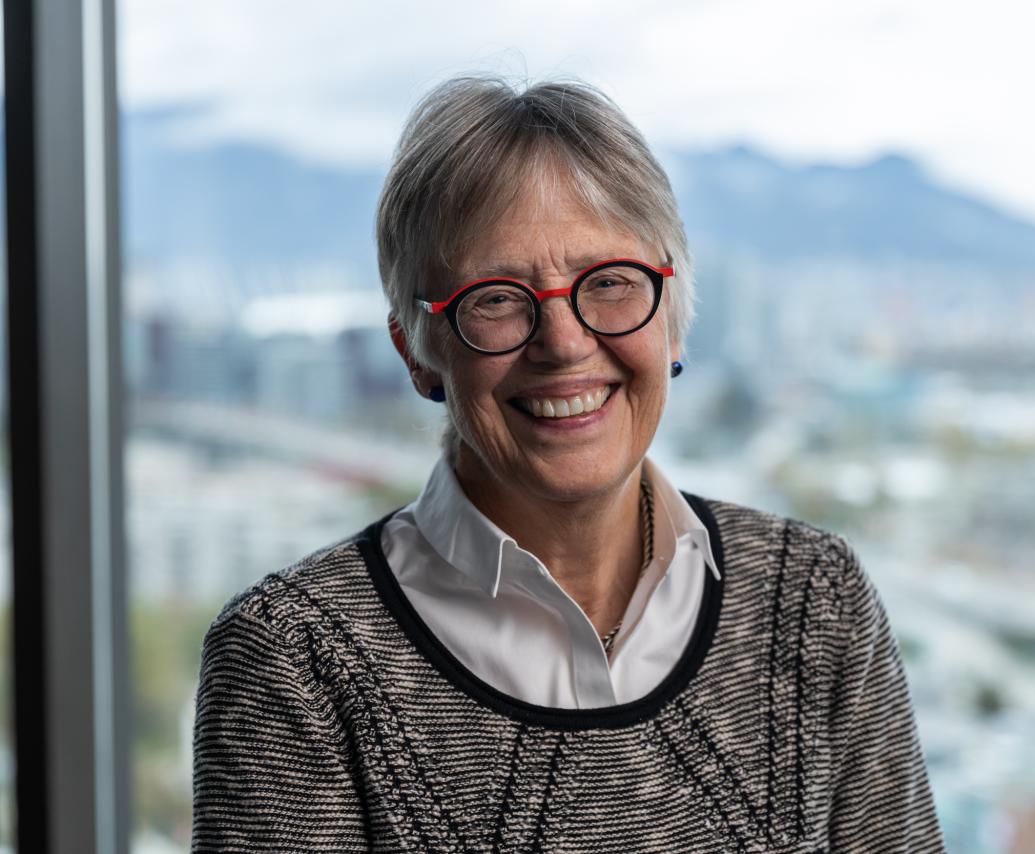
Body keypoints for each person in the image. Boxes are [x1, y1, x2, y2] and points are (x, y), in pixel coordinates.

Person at [191, 76, 944, 853]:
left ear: (674, 322)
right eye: (497, 297)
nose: (565, 343)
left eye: (611, 284)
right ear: (416, 354)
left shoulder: (815, 601)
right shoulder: (295, 660)